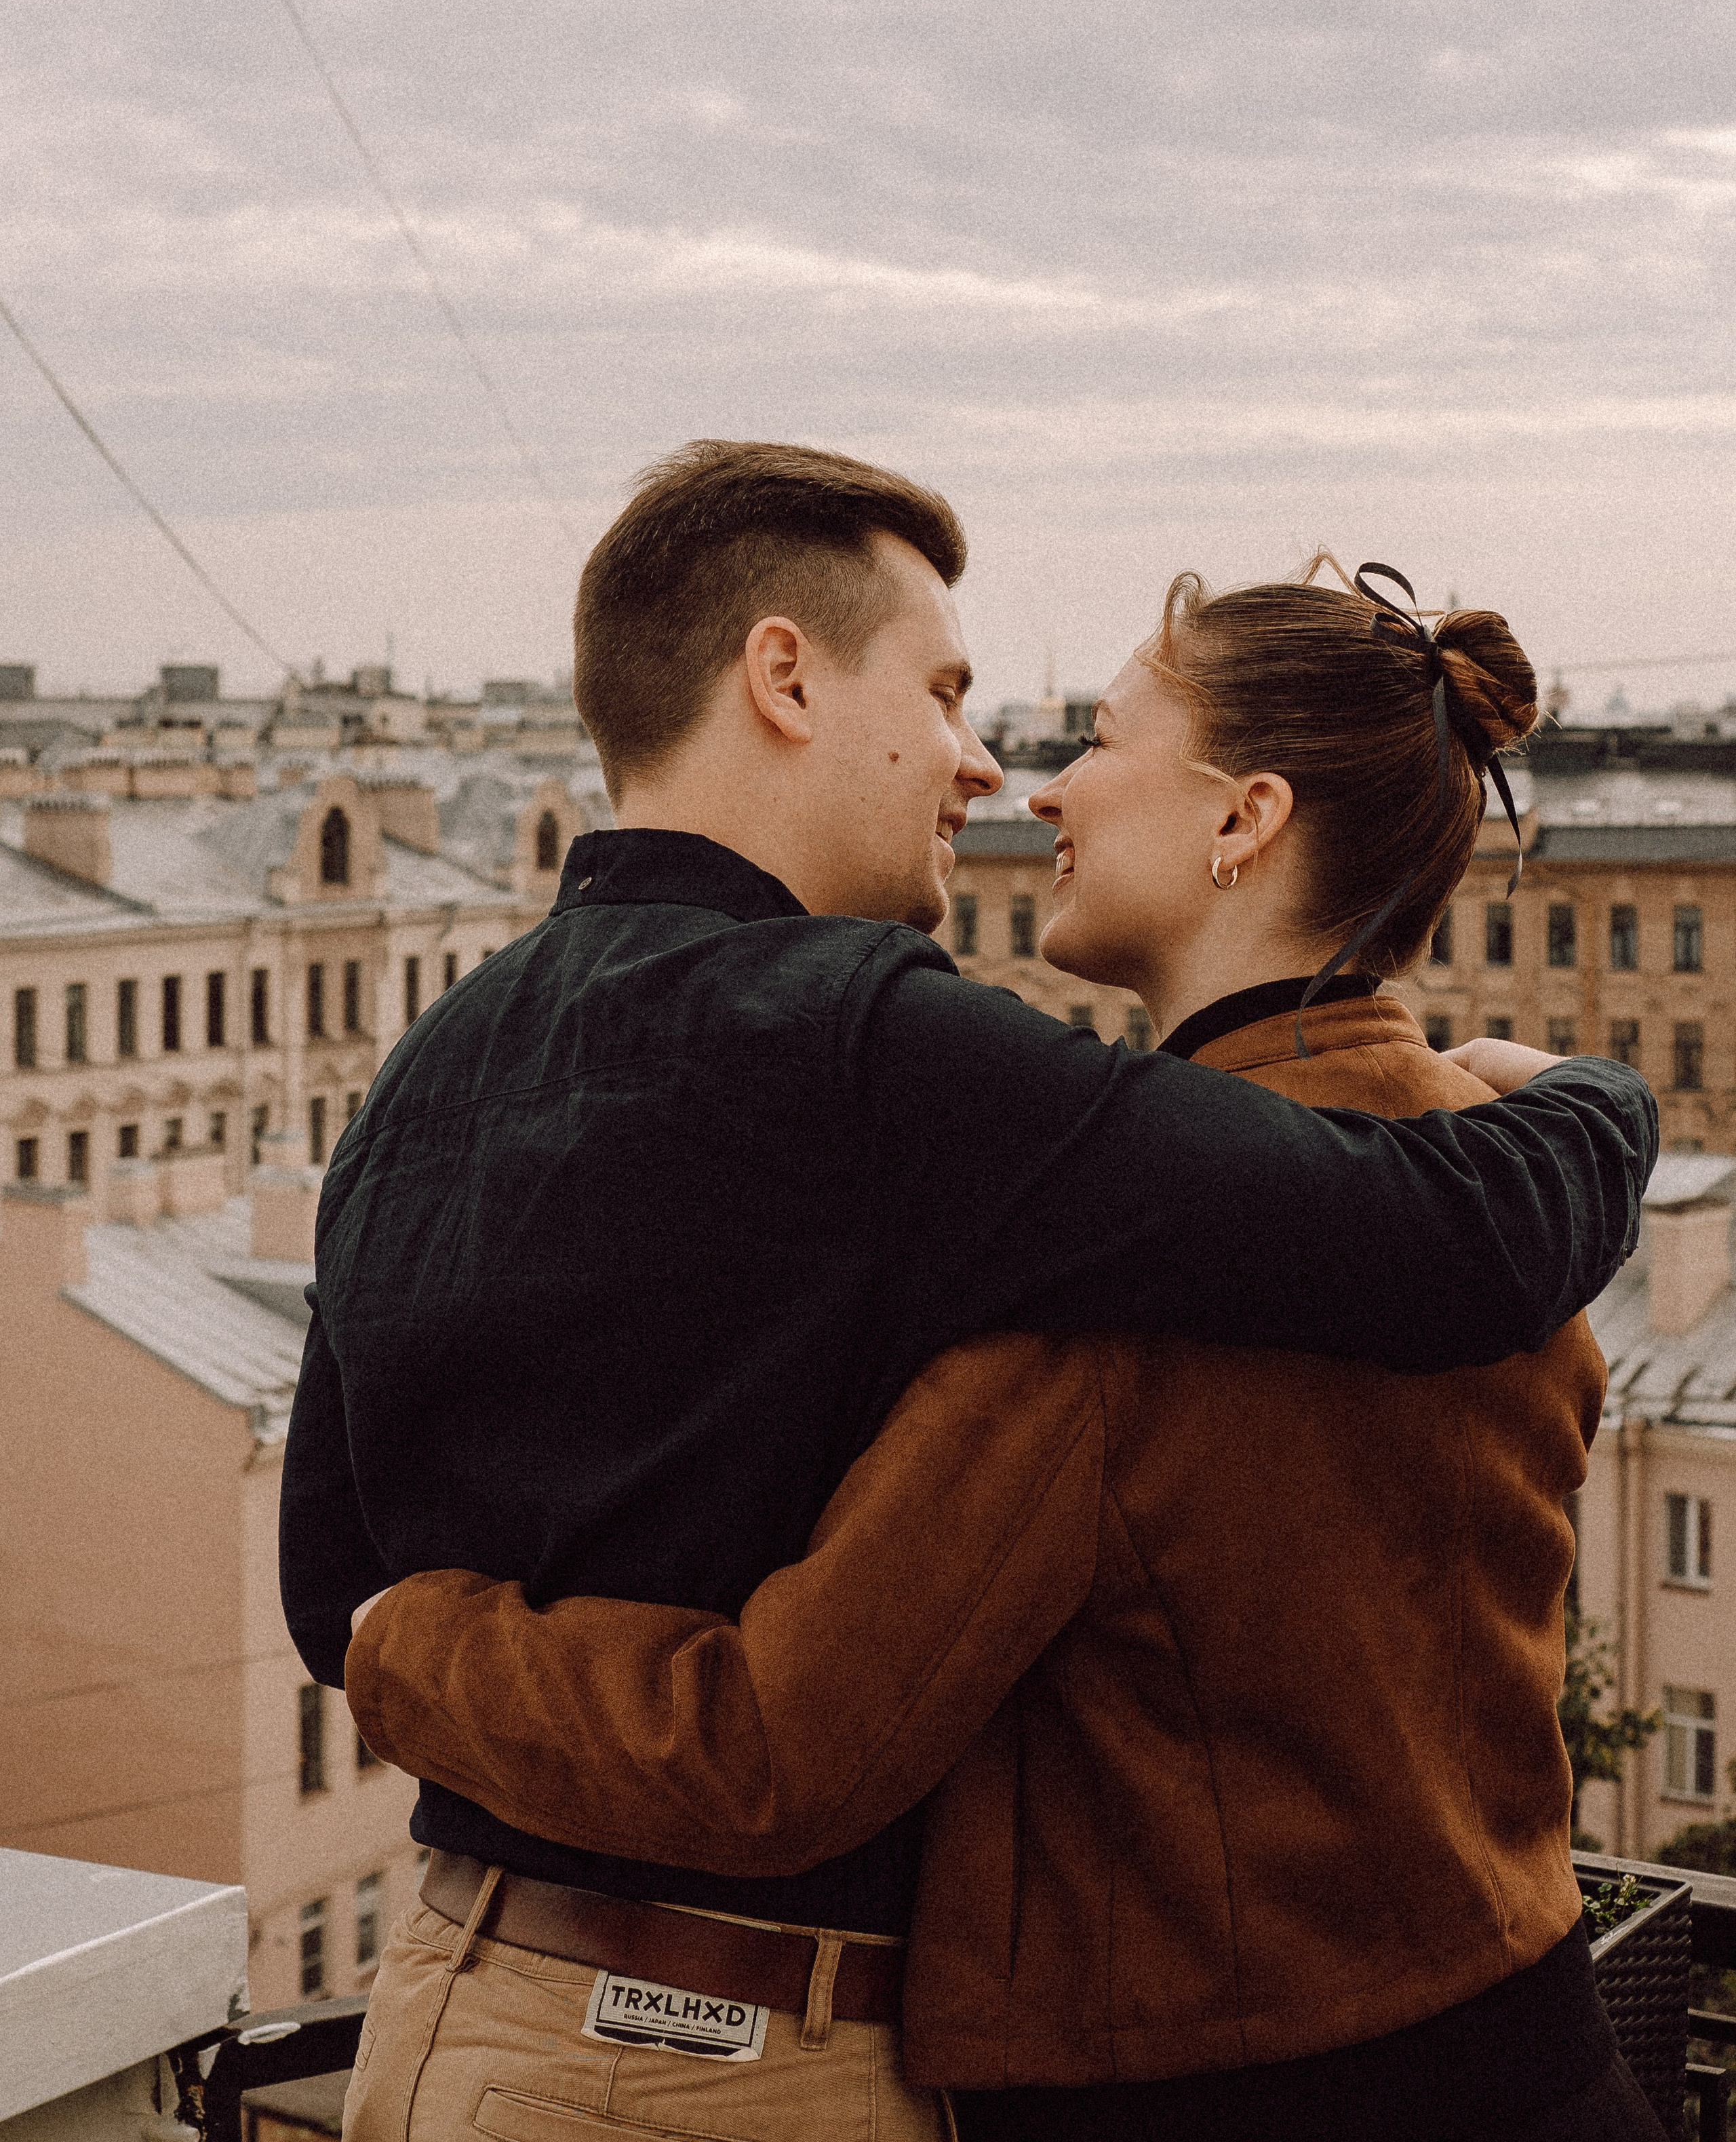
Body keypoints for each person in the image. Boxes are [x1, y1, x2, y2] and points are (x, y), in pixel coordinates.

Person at [283, 452, 1655, 2142]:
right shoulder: (908, 1061)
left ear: (1246, 819)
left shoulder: (424, 1065)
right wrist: (1586, 1105)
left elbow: (349, 1573)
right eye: (947, 693)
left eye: (1083, 737)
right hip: (1478, 2048)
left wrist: (391, 1642)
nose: (1005, 770)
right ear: (782, 677)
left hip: (461, 2013)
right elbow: (1456, 1240)